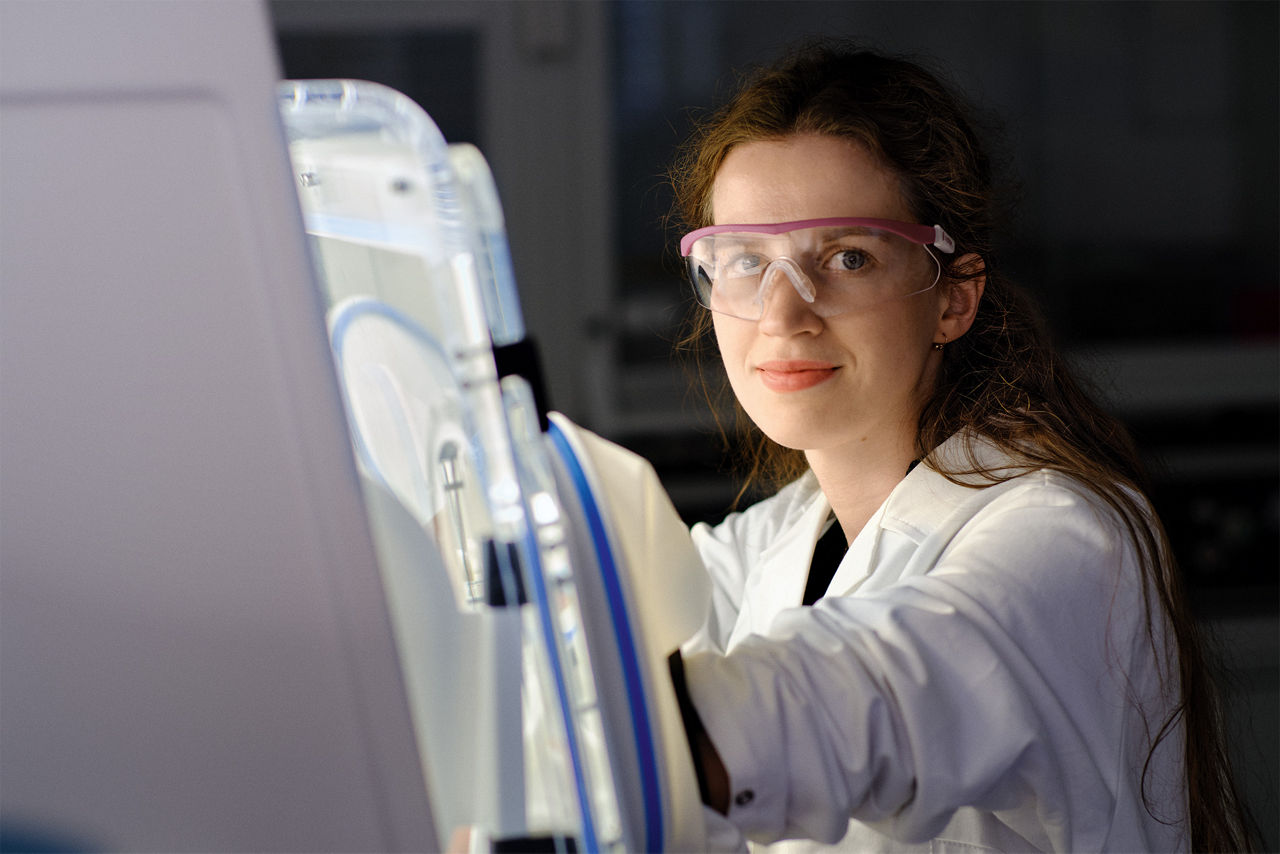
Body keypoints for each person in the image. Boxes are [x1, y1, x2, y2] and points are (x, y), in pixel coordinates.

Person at [664, 41, 1255, 852]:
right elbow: (613, 621)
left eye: (846, 258)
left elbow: (861, 697)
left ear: (953, 299)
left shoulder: (1062, 537)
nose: (782, 316)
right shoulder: (780, 540)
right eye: (745, 262)